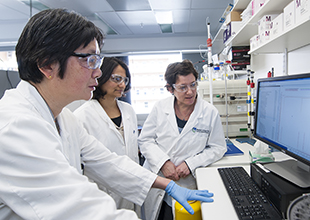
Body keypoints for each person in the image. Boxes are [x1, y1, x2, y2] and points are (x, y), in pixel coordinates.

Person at [0, 9, 214, 219]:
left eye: (97, 61)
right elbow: (80, 210)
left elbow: (109, 163)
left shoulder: (65, 119)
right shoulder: (15, 126)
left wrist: (167, 185)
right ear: (47, 65)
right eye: (89, 60)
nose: (99, 72)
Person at [138, 59, 227, 220]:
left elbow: (218, 147)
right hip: (159, 179)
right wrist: (163, 163)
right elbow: (145, 140)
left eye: (193, 85)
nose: (190, 92)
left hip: (187, 183)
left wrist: (190, 164)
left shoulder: (209, 112)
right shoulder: (160, 107)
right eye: (183, 87)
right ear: (170, 89)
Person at [74, 57, 141, 216]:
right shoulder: (82, 116)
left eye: (125, 80)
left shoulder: (128, 111)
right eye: (117, 79)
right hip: (102, 193)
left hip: (132, 188)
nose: (122, 85)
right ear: (101, 77)